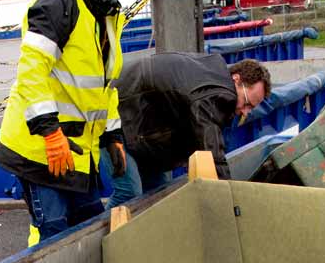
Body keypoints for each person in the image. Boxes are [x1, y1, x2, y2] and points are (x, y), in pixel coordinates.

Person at [0, 0, 139, 242]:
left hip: (76, 152)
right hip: (40, 148)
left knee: (87, 232)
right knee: (54, 235)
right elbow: (32, 71)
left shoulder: (106, 14)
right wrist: (49, 131)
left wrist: (113, 136)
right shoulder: (56, 5)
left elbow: (104, 88)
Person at [101, 54, 271, 208]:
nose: (245, 112)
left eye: (252, 108)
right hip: (114, 119)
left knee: (158, 196)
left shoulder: (213, 84)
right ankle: (101, 240)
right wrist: (231, 202)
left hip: (144, 135)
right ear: (236, 79)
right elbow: (212, 155)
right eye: (247, 103)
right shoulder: (213, 95)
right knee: (129, 193)